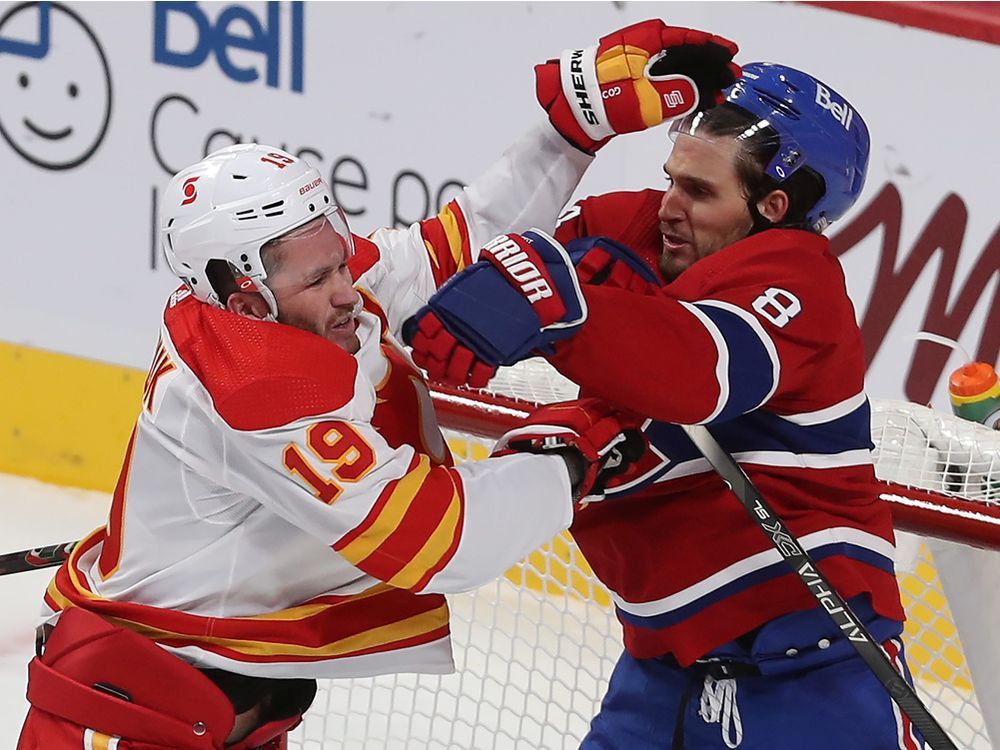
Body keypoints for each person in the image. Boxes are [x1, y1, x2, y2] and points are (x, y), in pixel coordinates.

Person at [16, 21, 740, 750]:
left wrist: (570, 132)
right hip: (133, 722)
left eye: (339, 260)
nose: (348, 289)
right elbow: (441, 543)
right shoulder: (261, 398)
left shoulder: (288, 298)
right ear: (246, 301)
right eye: (321, 277)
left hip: (209, 709)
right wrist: (571, 457)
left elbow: (459, 244)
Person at [406, 63, 927, 748]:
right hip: (660, 678)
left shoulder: (802, 283)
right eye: (671, 177)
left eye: (699, 190)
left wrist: (573, 315)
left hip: (815, 687)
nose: (668, 206)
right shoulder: (640, 236)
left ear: (771, 208)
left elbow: (697, 370)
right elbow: (485, 277)